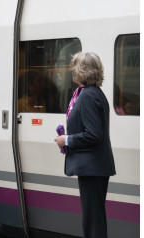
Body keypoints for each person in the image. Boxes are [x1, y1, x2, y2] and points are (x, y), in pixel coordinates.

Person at [54, 52, 116, 238]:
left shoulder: (88, 96)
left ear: (82, 71)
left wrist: (67, 140)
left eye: (74, 67)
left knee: (92, 220)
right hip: (94, 167)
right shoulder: (93, 93)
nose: (72, 71)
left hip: (92, 168)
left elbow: (93, 134)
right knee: (94, 218)